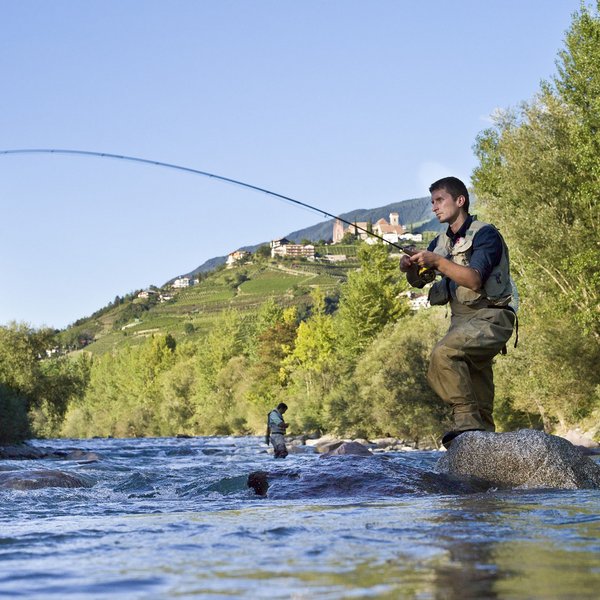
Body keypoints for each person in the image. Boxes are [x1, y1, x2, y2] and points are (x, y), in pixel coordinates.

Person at [400, 176, 516, 449]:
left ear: (460, 200)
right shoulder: (439, 243)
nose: (434, 208)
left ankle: (466, 425)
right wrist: (411, 268)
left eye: (440, 200)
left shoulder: (485, 234)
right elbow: (419, 281)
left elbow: (474, 280)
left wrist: (438, 262)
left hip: (492, 317)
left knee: (445, 355)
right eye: (432, 202)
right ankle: (482, 452)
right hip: (462, 321)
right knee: (477, 399)